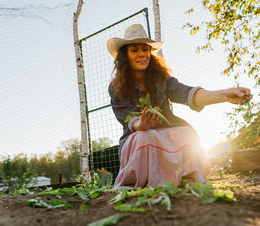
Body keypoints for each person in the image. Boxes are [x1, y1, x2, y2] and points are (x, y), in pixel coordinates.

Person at [107, 24, 252, 188]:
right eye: (135, 50)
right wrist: (142, 124)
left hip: (165, 134)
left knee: (186, 133)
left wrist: (224, 95)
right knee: (146, 136)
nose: (141, 54)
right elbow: (128, 119)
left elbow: (186, 93)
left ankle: (184, 178)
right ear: (125, 55)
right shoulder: (116, 87)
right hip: (136, 139)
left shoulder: (162, 79)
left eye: (145, 49)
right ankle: (143, 181)